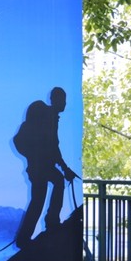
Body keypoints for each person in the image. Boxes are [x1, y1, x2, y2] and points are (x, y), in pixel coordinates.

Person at [13, 87, 79, 248]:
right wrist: (63, 168)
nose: (65, 104)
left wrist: (65, 168)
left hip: (40, 166)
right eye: (62, 100)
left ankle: (31, 233)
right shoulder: (48, 117)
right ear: (55, 100)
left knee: (43, 195)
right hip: (39, 166)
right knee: (41, 196)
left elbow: (53, 147)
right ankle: (49, 222)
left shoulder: (51, 118)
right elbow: (52, 146)